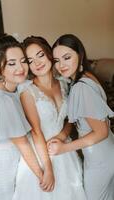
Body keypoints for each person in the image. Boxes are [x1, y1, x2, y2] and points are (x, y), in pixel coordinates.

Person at [13, 36, 86, 200]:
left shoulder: (64, 83)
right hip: (41, 154)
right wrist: (48, 169)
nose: (37, 63)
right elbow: (36, 132)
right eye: (30, 60)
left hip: (63, 149)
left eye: (40, 55)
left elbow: (70, 119)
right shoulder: (27, 91)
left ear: (49, 53)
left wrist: (62, 135)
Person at [48, 34, 114, 200]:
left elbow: (101, 132)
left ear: (80, 55)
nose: (61, 65)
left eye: (67, 57)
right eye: (56, 60)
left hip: (100, 160)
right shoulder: (87, 77)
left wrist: (63, 148)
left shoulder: (81, 87)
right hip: (105, 153)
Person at [0, 34, 43, 200]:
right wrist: (41, 175)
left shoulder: (12, 87)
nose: (20, 68)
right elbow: (22, 143)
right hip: (0, 164)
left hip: (7, 156)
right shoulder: (1, 100)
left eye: (23, 61)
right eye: (11, 63)